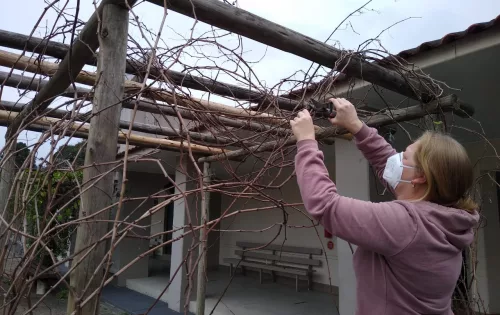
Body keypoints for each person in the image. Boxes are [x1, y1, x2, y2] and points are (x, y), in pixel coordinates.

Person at [290, 98, 479, 315]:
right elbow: (386, 162)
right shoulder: (443, 217)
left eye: (404, 156)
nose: (396, 158)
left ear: (420, 178)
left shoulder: (407, 223)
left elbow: (324, 204)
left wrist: (306, 143)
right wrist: (356, 126)